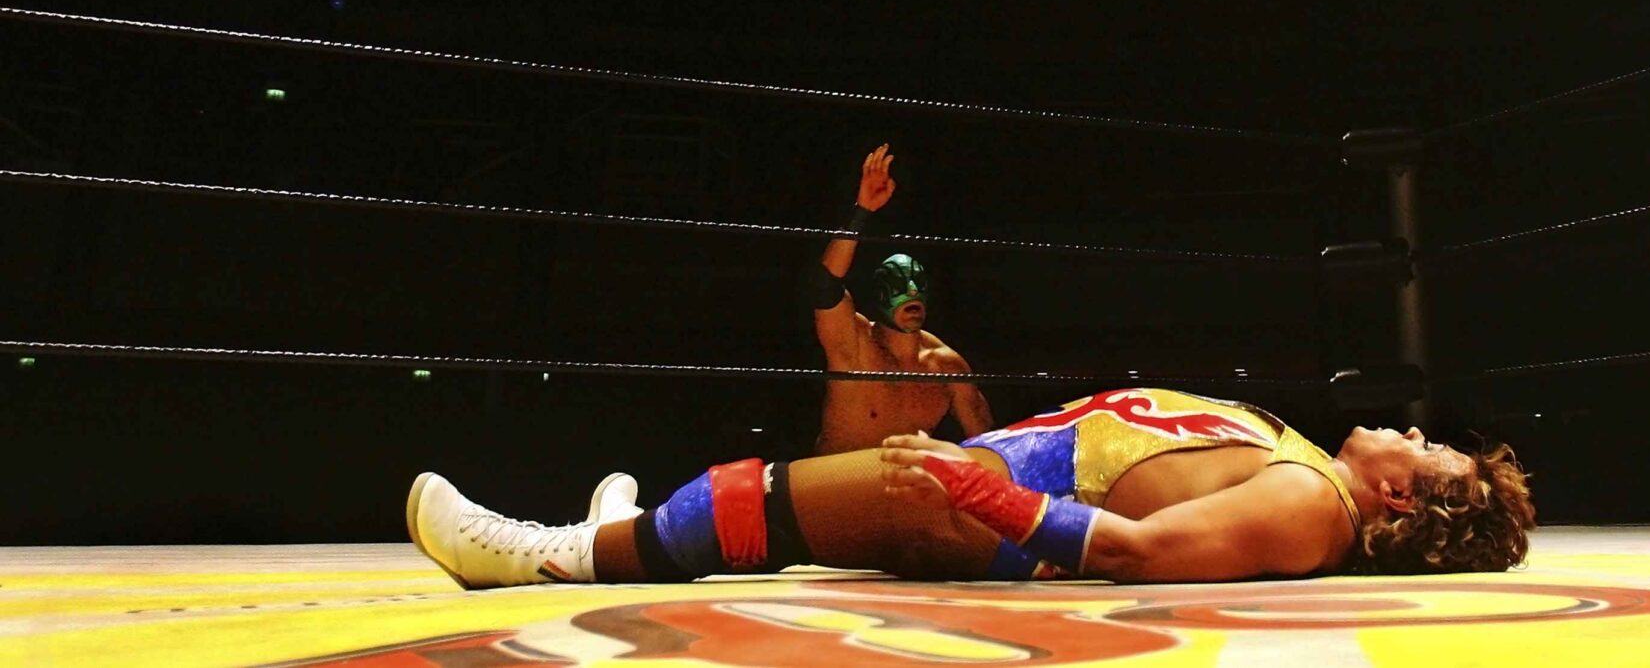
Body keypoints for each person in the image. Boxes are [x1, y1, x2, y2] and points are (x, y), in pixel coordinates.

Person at [405, 384, 1533, 587]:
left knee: (756, 501)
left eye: (1425, 449)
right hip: (1003, 475)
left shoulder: (1311, 502)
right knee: (755, 503)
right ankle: (624, 534)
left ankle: (537, 555)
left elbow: (1143, 552)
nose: (1410, 428)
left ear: (1403, 500)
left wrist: (983, 495)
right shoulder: (1309, 467)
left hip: (995, 510)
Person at [807, 144, 992, 453]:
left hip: (901, 478)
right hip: (839, 474)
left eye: (918, 282)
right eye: (898, 284)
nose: (911, 292)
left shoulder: (946, 367)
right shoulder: (856, 344)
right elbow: (823, 284)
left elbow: (988, 443)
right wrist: (862, 211)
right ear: (880, 295)